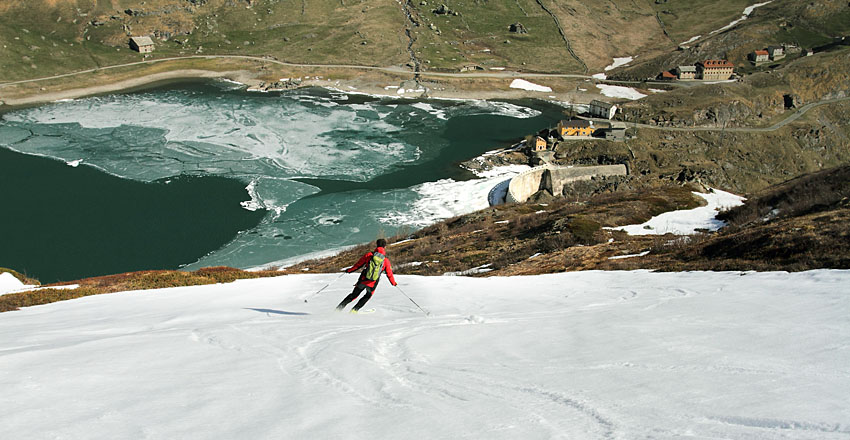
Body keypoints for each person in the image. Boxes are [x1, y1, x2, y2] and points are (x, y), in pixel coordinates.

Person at [336, 238, 397, 313]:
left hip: (363, 280)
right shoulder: (385, 260)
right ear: (385, 247)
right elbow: (389, 274)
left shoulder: (369, 255)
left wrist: (349, 270)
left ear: (376, 245)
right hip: (372, 284)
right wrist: (393, 283)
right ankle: (354, 311)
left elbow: (358, 265)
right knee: (367, 296)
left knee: (353, 295)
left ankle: (338, 309)